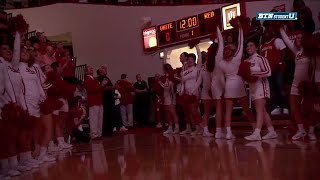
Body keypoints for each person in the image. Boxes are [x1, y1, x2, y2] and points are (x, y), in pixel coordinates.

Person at [217, 24, 255, 139]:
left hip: (228, 85)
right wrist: (240, 28)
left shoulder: (221, 63)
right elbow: (241, 41)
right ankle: (255, 129)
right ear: (234, 50)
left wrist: (218, 30)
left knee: (228, 110)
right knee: (246, 109)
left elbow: (220, 45)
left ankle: (228, 133)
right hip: (238, 84)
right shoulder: (237, 58)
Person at [280, 28, 316, 140]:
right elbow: (287, 41)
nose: (297, 39)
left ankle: (311, 131)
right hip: (296, 84)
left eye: (300, 37)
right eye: (296, 38)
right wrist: (281, 28)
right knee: (294, 107)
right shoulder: (297, 52)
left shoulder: (311, 53)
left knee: (310, 109)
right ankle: (301, 130)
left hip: (308, 84)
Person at [243, 40, 278, 141]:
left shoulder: (260, 58)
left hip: (261, 86)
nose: (248, 47)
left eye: (251, 45)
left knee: (259, 110)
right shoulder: (246, 61)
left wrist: (255, 75)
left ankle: (257, 133)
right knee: (262, 111)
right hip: (253, 87)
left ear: (256, 48)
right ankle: (271, 132)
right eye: (247, 46)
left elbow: (268, 72)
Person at [261, 26, 288, 115]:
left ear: (271, 32)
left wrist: (280, 63)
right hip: (268, 71)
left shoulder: (276, 40)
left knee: (280, 88)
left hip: (277, 69)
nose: (265, 34)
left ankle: (285, 107)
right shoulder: (262, 45)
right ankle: (276, 106)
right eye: (264, 32)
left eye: (267, 32)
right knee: (272, 90)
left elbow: (284, 52)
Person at [180, 45, 203, 136]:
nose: (189, 61)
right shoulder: (184, 71)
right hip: (186, 94)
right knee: (188, 112)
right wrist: (181, 92)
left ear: (194, 60)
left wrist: (196, 45)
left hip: (195, 93)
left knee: (195, 111)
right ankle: (195, 128)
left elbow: (200, 56)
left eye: (191, 59)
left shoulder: (197, 68)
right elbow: (182, 83)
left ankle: (201, 128)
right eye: (188, 59)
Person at [84, 66, 104, 139]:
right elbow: (91, 90)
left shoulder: (94, 79)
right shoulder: (87, 79)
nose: (92, 69)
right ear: (86, 71)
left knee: (99, 118)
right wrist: (101, 85)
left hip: (98, 100)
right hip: (93, 100)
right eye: (90, 69)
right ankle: (94, 134)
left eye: (92, 68)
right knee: (94, 119)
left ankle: (99, 133)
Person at [160, 64, 180, 134]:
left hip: (171, 96)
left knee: (172, 112)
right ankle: (170, 127)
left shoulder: (170, 76)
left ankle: (177, 127)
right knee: (168, 112)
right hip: (166, 96)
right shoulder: (166, 77)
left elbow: (167, 87)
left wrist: (159, 83)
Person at [97, 65, 116, 136]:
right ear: (101, 71)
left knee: (110, 115)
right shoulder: (100, 78)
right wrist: (112, 87)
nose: (106, 70)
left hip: (110, 99)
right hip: (105, 99)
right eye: (105, 69)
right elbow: (103, 88)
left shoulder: (107, 78)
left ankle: (110, 130)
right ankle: (106, 131)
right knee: (106, 115)